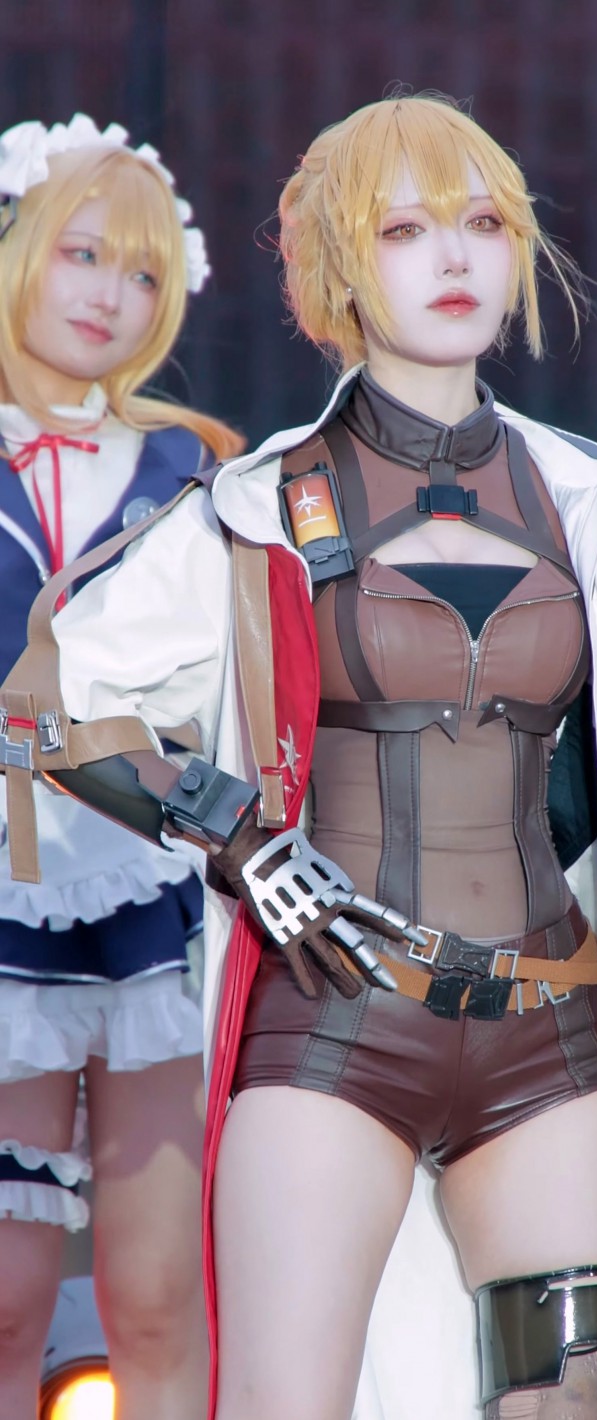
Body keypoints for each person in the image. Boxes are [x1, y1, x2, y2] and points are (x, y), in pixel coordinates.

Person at [0, 97, 597, 1420]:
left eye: (482, 223)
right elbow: (50, 708)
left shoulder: (589, 497)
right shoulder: (257, 504)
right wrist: (241, 839)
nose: (452, 257)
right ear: (337, 266)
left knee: (571, 1405)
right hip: (334, 1032)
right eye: (404, 229)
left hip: (550, 1031)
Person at [0, 114, 243, 1420]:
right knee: (4, 1294)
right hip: (1, 906)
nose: (110, 293)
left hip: (154, 899)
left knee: (159, 1293)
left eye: (144, 271)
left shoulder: (200, 467)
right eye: (81, 253)